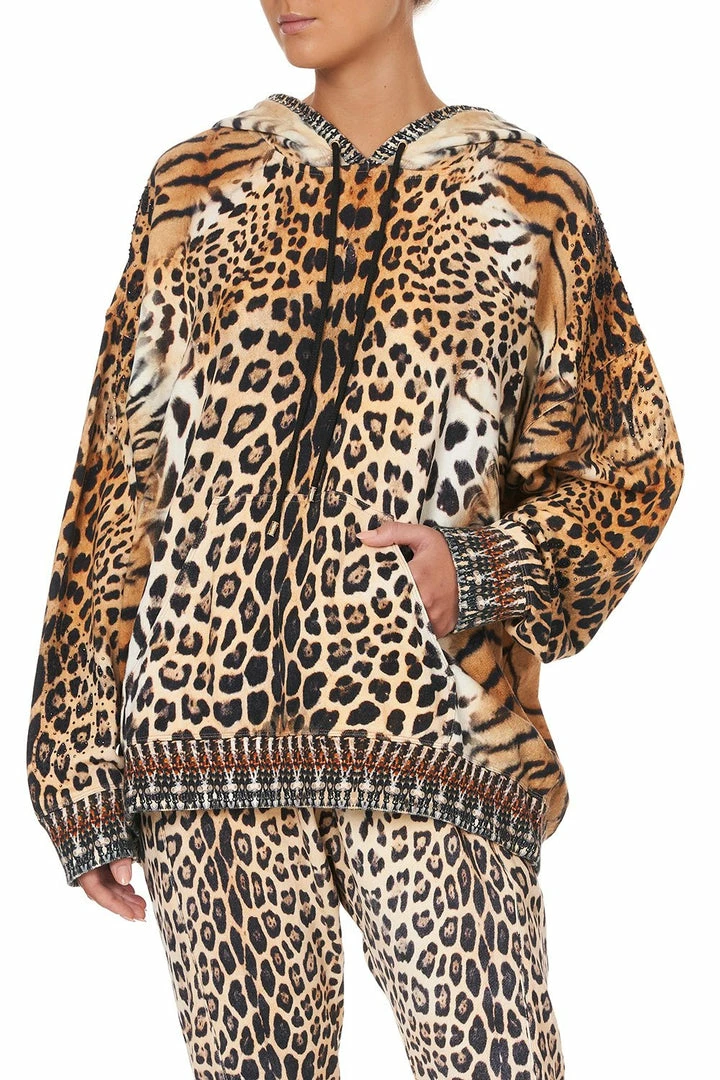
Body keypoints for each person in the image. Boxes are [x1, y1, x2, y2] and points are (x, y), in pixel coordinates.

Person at [26, 1, 684, 1077]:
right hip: (206, 743)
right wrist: (76, 756)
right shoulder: (194, 187)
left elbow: (631, 460)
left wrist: (483, 569)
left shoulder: (531, 197)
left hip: (436, 739)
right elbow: (114, 479)